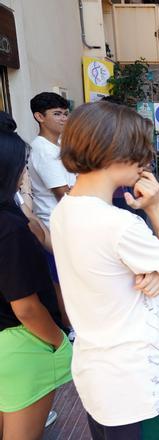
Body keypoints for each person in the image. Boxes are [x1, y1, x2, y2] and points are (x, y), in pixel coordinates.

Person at [50, 102, 159, 439]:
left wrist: (155, 273)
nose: (146, 163)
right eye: (141, 154)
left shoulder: (65, 210)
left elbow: (106, 269)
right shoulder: (120, 224)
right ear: (116, 154)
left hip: (98, 379)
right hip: (137, 386)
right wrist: (155, 209)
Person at [0, 112, 72, 439]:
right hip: (21, 346)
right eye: (23, 166)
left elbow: (34, 226)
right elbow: (26, 307)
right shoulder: (9, 230)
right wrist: (58, 342)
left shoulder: (13, 218)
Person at [27, 92, 75, 338]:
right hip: (56, 227)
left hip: (67, 225)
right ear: (39, 117)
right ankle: (73, 331)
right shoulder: (43, 150)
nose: (63, 118)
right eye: (57, 114)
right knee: (63, 284)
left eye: (65, 113)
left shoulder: (55, 147)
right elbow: (63, 193)